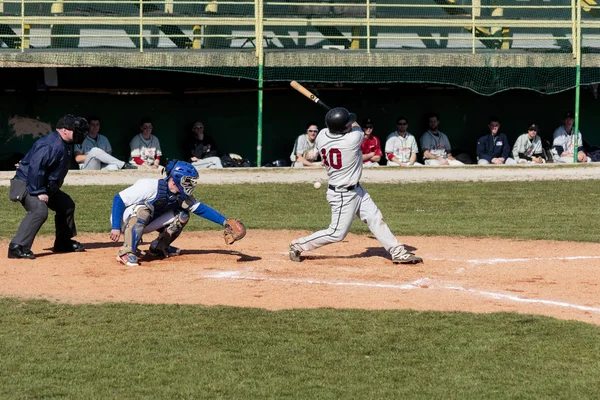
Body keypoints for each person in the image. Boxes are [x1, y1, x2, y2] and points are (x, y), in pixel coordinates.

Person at [289, 107, 423, 265]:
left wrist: (337, 119)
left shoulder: (322, 135)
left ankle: (397, 251)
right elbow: (356, 126)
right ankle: (298, 245)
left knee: (375, 217)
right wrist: (342, 118)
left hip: (356, 190)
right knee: (336, 233)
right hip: (342, 194)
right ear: (341, 127)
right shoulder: (352, 140)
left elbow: (342, 126)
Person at [110, 160, 245, 267]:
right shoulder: (149, 186)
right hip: (124, 220)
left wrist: (224, 221)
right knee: (143, 211)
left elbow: (201, 209)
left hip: (147, 222)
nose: (191, 184)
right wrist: (116, 226)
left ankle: (158, 248)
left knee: (182, 215)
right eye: (188, 180)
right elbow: (119, 199)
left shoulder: (182, 196)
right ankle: (126, 252)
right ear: (176, 179)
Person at [7, 115, 88, 259]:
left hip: (43, 184)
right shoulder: (51, 144)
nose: (80, 134)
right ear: (64, 130)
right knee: (39, 210)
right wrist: (39, 191)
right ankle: (17, 247)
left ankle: (62, 242)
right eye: (76, 130)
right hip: (27, 183)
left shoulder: (65, 144)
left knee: (66, 205)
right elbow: (36, 168)